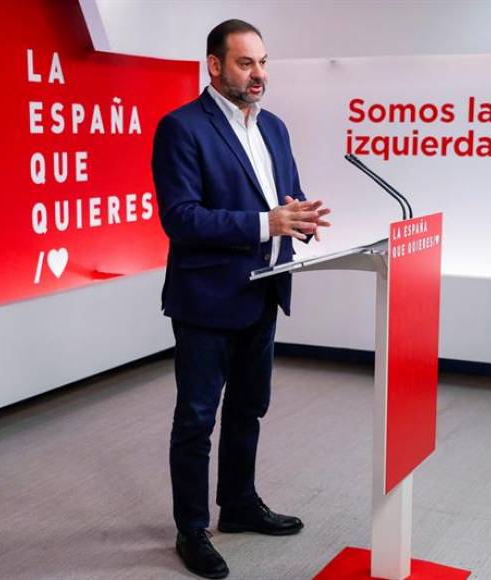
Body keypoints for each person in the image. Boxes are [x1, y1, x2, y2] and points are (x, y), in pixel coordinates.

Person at [151, 18, 331, 580]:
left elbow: (285, 197)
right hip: (206, 298)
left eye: (263, 63)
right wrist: (266, 221)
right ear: (214, 65)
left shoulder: (274, 127)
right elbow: (180, 218)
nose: (259, 75)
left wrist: (299, 220)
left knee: (250, 407)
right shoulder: (181, 128)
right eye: (246, 63)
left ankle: (239, 504)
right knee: (197, 419)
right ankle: (192, 528)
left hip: (263, 290)